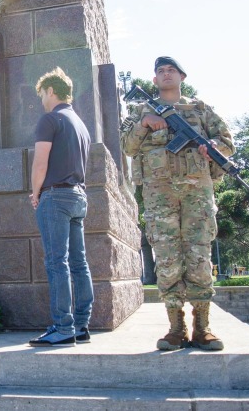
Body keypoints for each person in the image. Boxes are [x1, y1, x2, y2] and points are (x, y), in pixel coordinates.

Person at [120, 57, 234, 351]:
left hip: (197, 193)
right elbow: (127, 147)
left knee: (198, 255)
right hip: (160, 195)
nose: (166, 74)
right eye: (160, 71)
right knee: (167, 258)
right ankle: (175, 327)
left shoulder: (200, 110)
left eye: (171, 70)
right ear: (155, 80)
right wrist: (144, 124)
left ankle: (203, 326)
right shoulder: (140, 111)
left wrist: (213, 149)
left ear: (182, 76)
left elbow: (226, 142)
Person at [27, 67, 93, 347]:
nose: (41, 99)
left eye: (42, 93)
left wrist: (35, 192)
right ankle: (81, 326)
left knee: (57, 263)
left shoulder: (50, 119)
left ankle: (62, 327)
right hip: (79, 196)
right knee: (79, 263)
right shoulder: (80, 123)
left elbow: (40, 162)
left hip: (56, 197)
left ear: (51, 91)